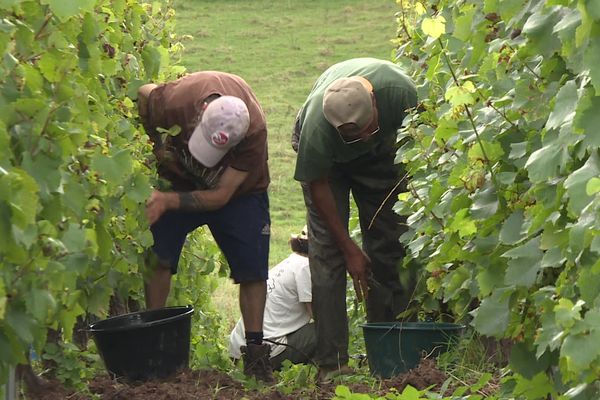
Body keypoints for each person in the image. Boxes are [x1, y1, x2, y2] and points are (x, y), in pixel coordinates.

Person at [137, 71, 274, 383]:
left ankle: (255, 353)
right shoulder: (176, 100)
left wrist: (167, 201)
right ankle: (152, 341)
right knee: (157, 257)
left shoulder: (254, 133)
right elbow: (144, 93)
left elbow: (221, 195)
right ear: (200, 114)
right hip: (179, 177)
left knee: (252, 269)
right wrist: (155, 143)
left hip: (239, 193)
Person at [292, 58, 418, 382]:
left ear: (374, 101)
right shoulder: (317, 130)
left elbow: (423, 146)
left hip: (382, 158)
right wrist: (348, 248)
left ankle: (391, 350)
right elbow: (318, 186)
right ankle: (332, 365)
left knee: (389, 243)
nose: (362, 137)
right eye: (353, 134)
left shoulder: (401, 93)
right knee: (328, 255)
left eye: (367, 129)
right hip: (329, 168)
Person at [229, 227, 316, 370]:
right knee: (327, 329)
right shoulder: (305, 267)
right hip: (265, 354)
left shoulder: (293, 261)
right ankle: (324, 369)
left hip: (238, 352)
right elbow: (316, 314)